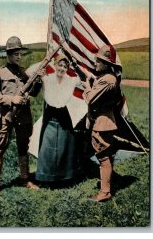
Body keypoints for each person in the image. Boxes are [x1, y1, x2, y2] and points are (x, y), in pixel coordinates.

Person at [0, 36, 39, 199]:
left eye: (20, 53)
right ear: (8, 54)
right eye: (15, 54)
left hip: (23, 117)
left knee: (23, 147)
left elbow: (34, 93)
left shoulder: (24, 73)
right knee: (0, 148)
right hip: (6, 116)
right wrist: (11, 99)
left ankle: (25, 179)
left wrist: (38, 80)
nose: (19, 56)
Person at [81, 44, 121, 202]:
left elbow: (91, 99)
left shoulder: (107, 80)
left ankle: (105, 192)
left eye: (99, 60)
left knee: (103, 158)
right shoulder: (108, 78)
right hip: (104, 120)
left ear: (107, 64)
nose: (95, 63)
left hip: (102, 122)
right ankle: (107, 188)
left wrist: (87, 87)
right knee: (106, 156)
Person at [35, 54, 80, 187]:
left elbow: (82, 79)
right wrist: (39, 76)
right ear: (54, 65)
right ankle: (46, 177)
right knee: (47, 144)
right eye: (60, 65)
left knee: (65, 144)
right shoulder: (47, 79)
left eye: (65, 66)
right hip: (50, 114)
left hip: (63, 115)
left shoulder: (70, 80)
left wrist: (76, 66)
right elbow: (36, 83)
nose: (62, 68)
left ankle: (65, 177)